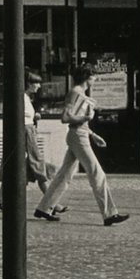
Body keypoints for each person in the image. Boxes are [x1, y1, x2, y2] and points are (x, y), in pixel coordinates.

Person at [34, 65, 129, 226]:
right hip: (78, 136)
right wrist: (85, 118)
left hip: (80, 135)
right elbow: (65, 117)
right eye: (93, 76)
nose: (95, 79)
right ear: (87, 77)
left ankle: (44, 208)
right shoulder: (76, 93)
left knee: (65, 175)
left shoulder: (80, 93)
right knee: (97, 173)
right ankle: (109, 214)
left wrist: (93, 134)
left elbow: (76, 120)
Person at [0, 71, 61, 213]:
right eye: (36, 83)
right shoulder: (22, 98)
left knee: (22, 168)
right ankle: (51, 204)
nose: (39, 86)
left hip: (27, 131)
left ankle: (0, 199)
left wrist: (34, 116)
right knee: (38, 165)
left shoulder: (26, 98)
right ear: (29, 84)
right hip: (26, 133)